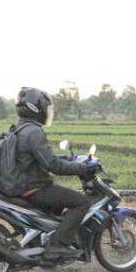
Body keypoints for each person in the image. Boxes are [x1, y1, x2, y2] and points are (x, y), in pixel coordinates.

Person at [9, 87, 99, 259]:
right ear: (36, 109)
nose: (46, 112)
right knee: (81, 202)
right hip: (33, 188)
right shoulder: (34, 132)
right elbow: (53, 165)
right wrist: (83, 167)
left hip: (21, 184)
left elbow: (39, 157)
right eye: (44, 108)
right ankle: (57, 245)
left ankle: (44, 238)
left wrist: (69, 159)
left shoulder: (19, 127)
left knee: (58, 203)